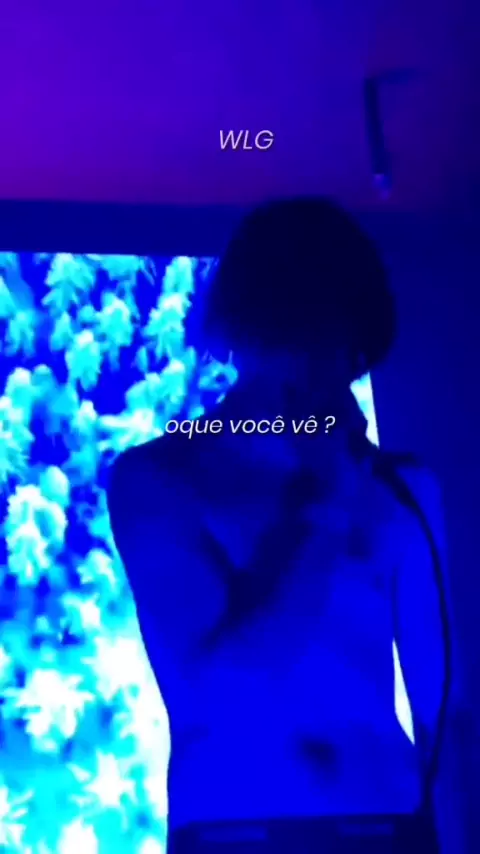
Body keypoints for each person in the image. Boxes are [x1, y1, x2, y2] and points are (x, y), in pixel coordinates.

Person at [107, 198, 467, 853]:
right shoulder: (158, 480)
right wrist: (325, 508)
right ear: (246, 332)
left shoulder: (402, 489)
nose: (330, 368)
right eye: (304, 339)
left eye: (347, 348)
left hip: (390, 823)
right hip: (236, 827)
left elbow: (446, 708)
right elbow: (222, 692)